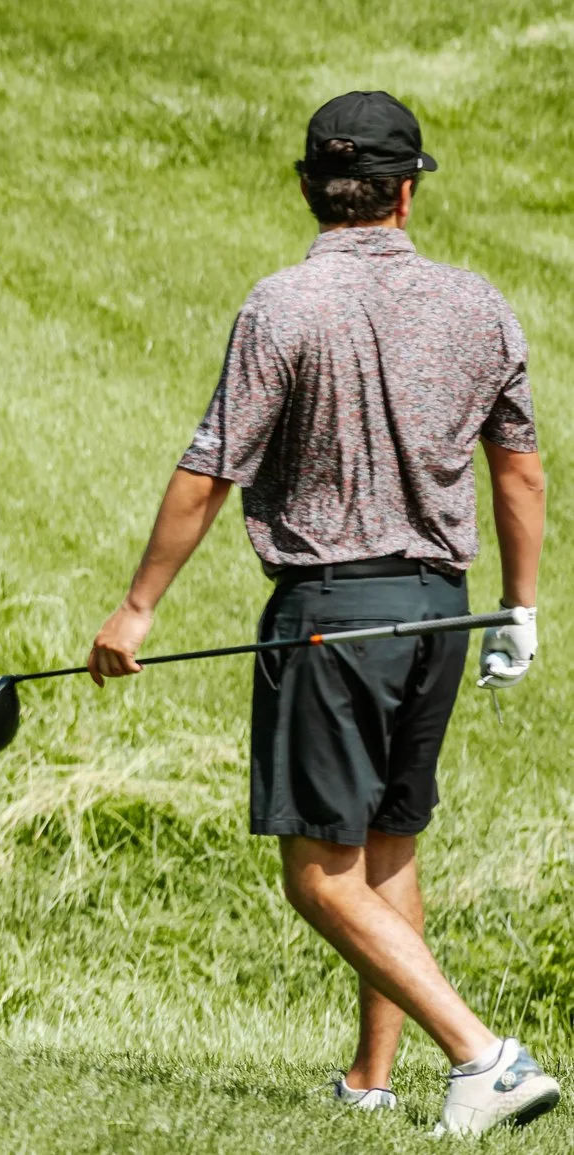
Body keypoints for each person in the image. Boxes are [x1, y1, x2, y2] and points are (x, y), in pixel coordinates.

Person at [87, 91, 554, 1137]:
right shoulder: (478, 303)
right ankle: (368, 1080)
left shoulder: (281, 305)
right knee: (388, 849)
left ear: (309, 186)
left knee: (316, 873)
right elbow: (518, 475)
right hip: (440, 609)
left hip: (331, 611)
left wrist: (134, 608)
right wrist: (520, 607)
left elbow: (209, 470)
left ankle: (483, 1053)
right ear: (403, 190)